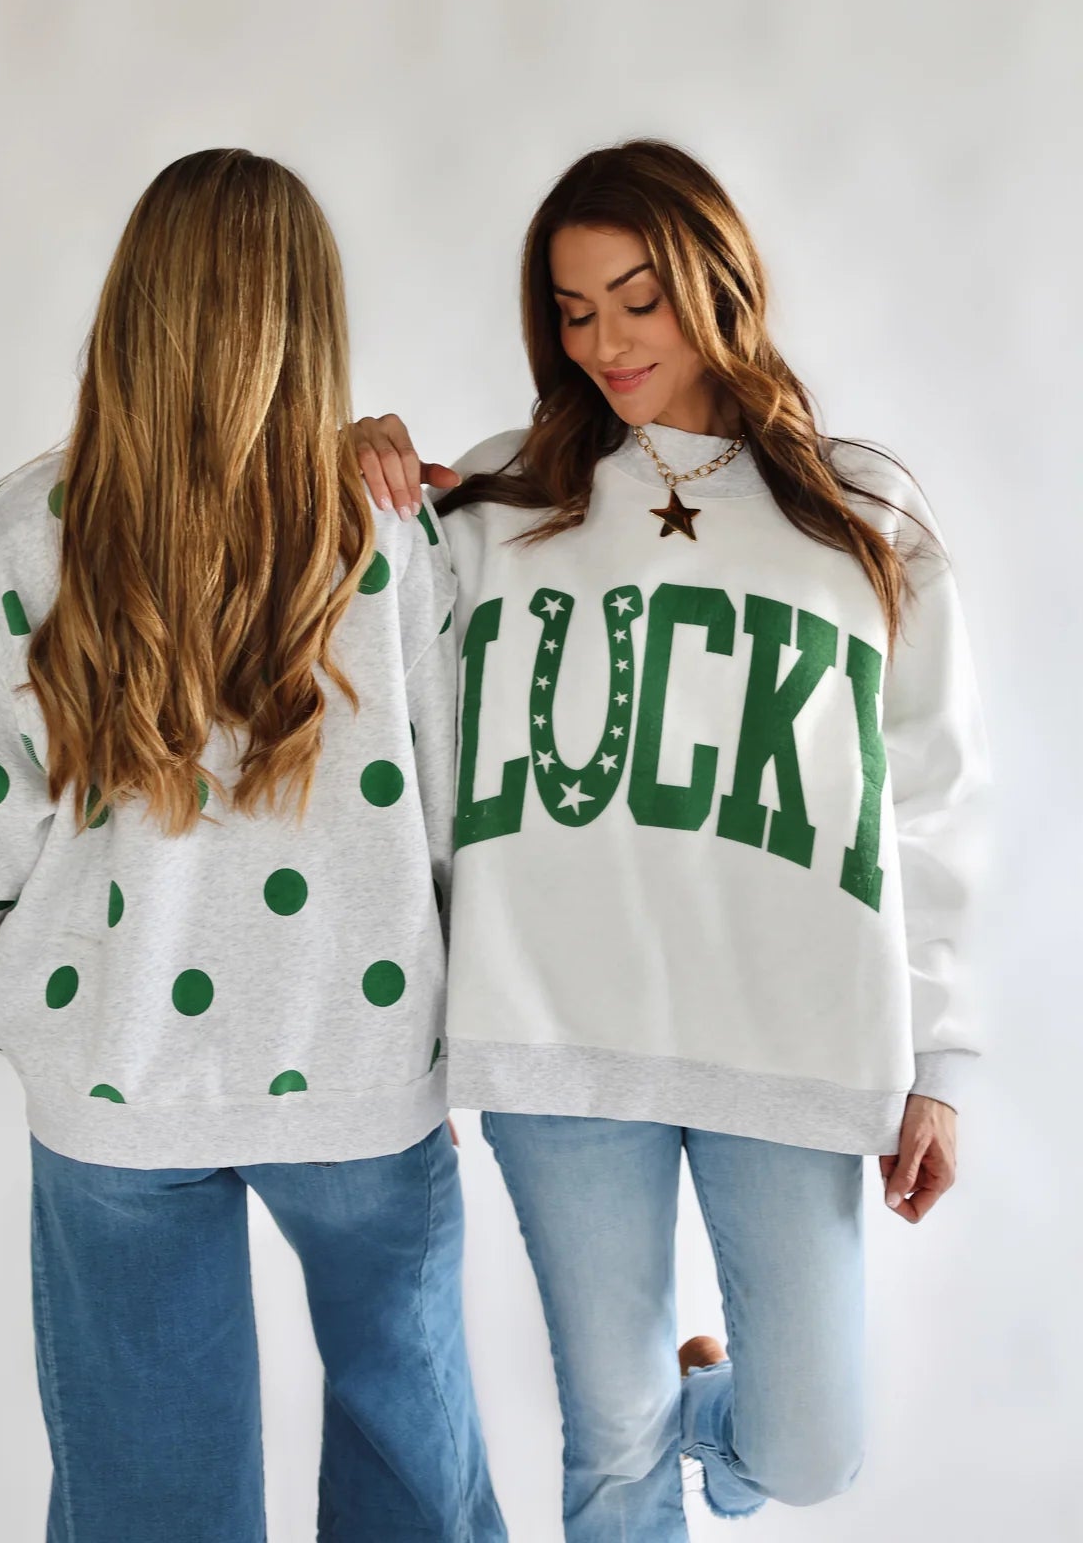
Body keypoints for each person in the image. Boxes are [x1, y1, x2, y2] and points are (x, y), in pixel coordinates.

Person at [352, 138, 990, 1540]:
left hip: (794, 1030)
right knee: (613, 1437)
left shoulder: (861, 513)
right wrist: (342, 472)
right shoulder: (500, 500)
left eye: (638, 300)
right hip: (557, 1029)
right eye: (574, 311)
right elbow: (388, 719)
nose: (607, 343)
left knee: (812, 1450)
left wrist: (940, 1060)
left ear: (717, 283)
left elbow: (931, 794)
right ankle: (653, 1432)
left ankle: (713, 1407)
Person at [0, 148, 506, 1543]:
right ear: (313, 318)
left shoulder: (21, 537)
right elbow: (459, 812)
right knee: (417, 1460)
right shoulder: (386, 532)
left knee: (145, 1490)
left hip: (117, 1075)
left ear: (132, 304)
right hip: (363, 1063)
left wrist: (77, 930)